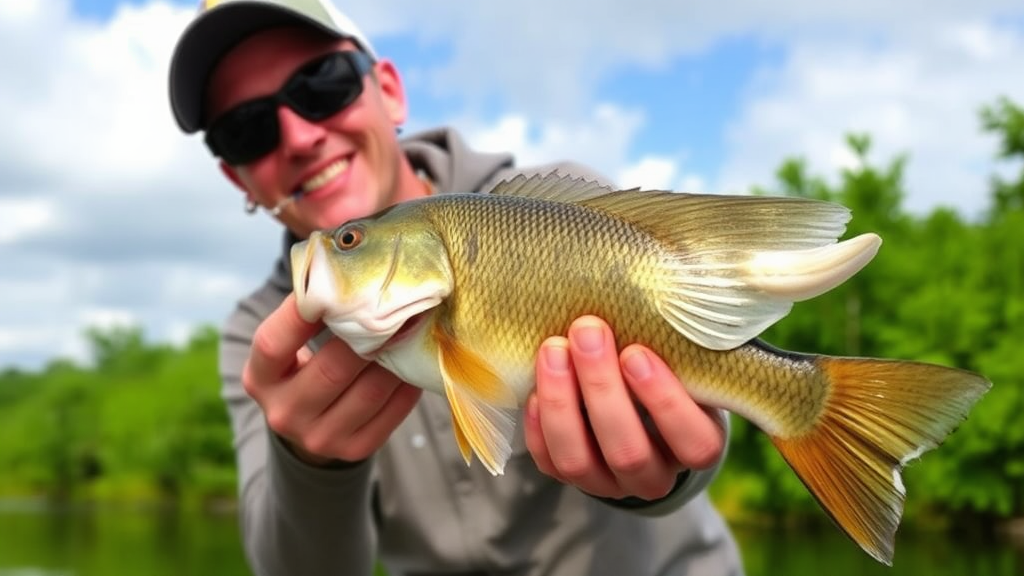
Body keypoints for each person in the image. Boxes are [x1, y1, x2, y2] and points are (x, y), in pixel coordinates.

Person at [168, 1, 744, 574]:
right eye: (246, 131)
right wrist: (308, 464)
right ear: (235, 176)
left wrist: (664, 469)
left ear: (389, 90)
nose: (298, 137)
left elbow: (702, 396)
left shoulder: (566, 215)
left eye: (322, 85)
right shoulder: (255, 336)